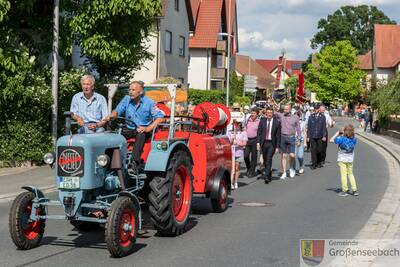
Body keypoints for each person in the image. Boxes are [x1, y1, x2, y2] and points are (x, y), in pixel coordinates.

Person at [103, 80, 164, 170]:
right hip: (130, 129)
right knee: (115, 136)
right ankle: (108, 161)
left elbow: (160, 118)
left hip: (144, 131)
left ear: (141, 92)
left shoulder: (149, 103)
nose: (130, 92)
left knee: (141, 135)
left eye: (133, 90)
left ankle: (135, 162)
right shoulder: (126, 99)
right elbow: (117, 111)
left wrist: (147, 128)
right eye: (129, 89)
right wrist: (111, 116)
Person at [273, 103, 301, 179]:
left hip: (291, 138)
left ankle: (291, 168)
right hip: (283, 137)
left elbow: (298, 129)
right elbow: (274, 113)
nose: (284, 110)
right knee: (284, 156)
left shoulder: (295, 117)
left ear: (290, 109)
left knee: (292, 155)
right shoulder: (281, 115)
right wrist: (274, 106)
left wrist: (299, 139)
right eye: (284, 109)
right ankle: (284, 172)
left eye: (286, 109)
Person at [330, 124, 358, 197]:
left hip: (342, 159)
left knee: (343, 175)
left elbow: (331, 140)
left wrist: (337, 133)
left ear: (345, 131)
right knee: (351, 174)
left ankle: (345, 190)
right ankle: (354, 190)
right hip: (350, 159)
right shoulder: (354, 139)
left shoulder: (341, 139)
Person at [257, 107, 281, 183]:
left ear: (273, 113)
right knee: (265, 160)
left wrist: (277, 147)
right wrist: (258, 142)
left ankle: (266, 176)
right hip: (264, 143)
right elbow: (259, 133)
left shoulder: (277, 122)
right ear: (266, 113)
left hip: (272, 143)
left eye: (271, 113)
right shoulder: (262, 121)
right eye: (268, 113)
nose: (269, 114)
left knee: (269, 159)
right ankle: (269, 172)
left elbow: (278, 136)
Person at [227, 120, 248, 190]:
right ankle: (230, 182)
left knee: (237, 168)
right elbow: (228, 142)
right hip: (231, 153)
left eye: (237, 124)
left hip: (239, 152)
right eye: (234, 124)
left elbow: (244, 143)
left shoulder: (243, 133)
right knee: (231, 168)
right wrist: (232, 140)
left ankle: (235, 182)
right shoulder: (230, 132)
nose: (236, 125)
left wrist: (238, 143)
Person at [307, 105, 327, 169]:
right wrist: (308, 136)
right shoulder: (310, 117)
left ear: (319, 109)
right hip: (312, 136)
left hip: (320, 136)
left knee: (319, 150)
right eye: (314, 109)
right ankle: (314, 164)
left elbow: (324, 127)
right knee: (313, 150)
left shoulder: (323, 117)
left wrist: (324, 136)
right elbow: (309, 128)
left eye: (316, 109)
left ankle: (319, 162)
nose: (315, 110)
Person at [244, 108, 260, 177]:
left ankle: (252, 171)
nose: (252, 114)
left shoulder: (259, 121)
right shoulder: (247, 120)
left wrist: (258, 142)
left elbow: (260, 133)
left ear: (257, 114)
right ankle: (249, 168)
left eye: (254, 113)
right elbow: (243, 127)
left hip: (255, 140)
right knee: (246, 156)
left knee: (254, 157)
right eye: (252, 113)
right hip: (247, 140)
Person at [295, 109, 307, 174]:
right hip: (293, 140)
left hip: (301, 140)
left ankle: (301, 166)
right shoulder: (292, 122)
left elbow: (305, 132)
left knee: (300, 156)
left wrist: (305, 142)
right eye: (297, 115)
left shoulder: (303, 123)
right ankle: (293, 168)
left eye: (299, 115)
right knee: (293, 156)